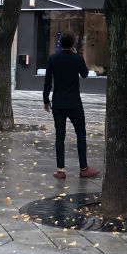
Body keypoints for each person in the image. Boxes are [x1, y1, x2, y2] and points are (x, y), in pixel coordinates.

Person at [43, 31, 99, 179]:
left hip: (59, 103)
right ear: (73, 44)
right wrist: (77, 57)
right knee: (81, 134)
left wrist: (46, 100)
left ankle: (61, 169)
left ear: (60, 44)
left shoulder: (53, 59)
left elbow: (48, 81)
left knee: (60, 136)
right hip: (74, 103)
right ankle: (83, 167)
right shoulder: (77, 58)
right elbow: (85, 74)